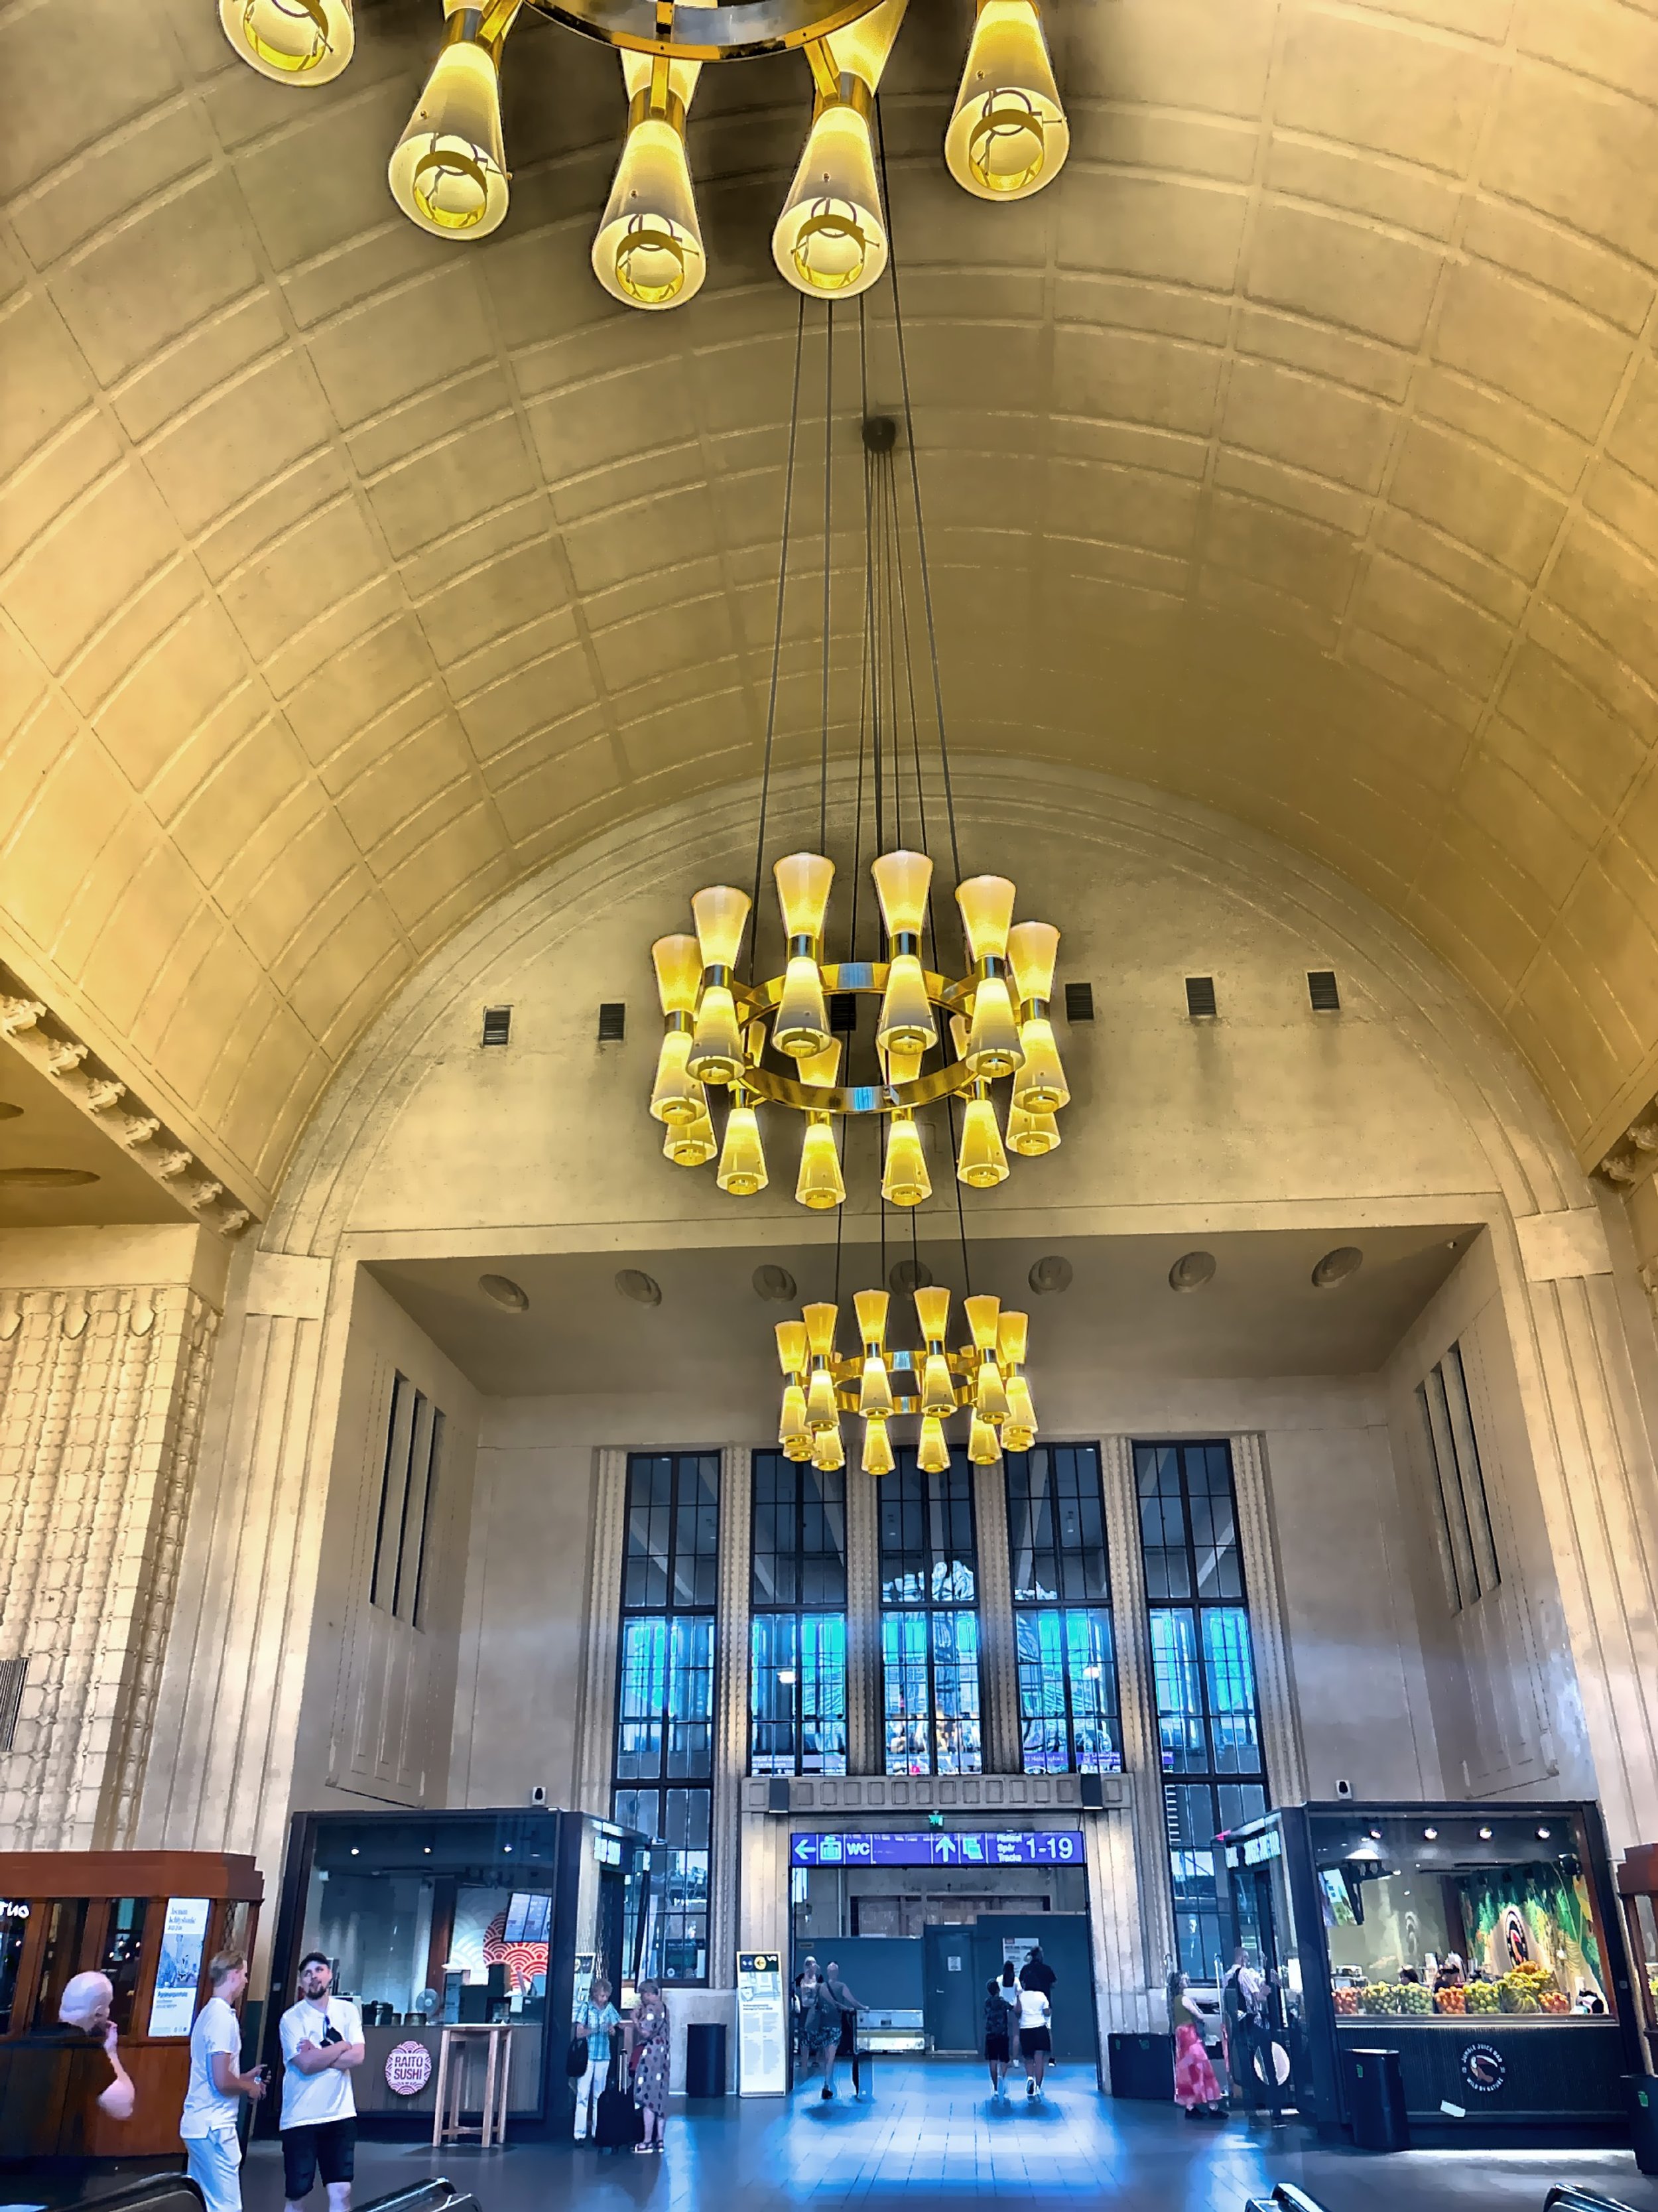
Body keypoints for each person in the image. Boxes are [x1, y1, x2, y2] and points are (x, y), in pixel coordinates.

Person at [181, 1950, 267, 2212]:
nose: (246, 1981)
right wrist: (249, 2087)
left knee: (203, 2203)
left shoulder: (208, 2014)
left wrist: (241, 2078)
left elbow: (214, 2076)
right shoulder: (221, 2019)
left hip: (199, 2124)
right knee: (227, 2207)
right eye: (244, 1974)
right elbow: (220, 2081)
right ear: (233, 1975)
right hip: (214, 2127)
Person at [279, 1952, 364, 2212]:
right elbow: (305, 2065)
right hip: (301, 2118)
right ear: (301, 1983)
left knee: (342, 2190)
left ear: (329, 1975)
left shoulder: (347, 2011)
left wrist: (318, 2052)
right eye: (307, 1974)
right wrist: (340, 2046)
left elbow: (358, 2056)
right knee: (297, 2193)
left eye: (319, 1970)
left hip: (340, 2115)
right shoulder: (291, 2019)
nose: (313, 1977)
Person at [1222, 1948, 1279, 2124]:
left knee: (1246, 2067)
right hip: (1254, 2022)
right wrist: (1268, 1991)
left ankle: (1251, 2109)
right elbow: (1259, 1998)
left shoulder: (1227, 1976)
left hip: (1239, 2025)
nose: (1247, 1961)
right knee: (1267, 2062)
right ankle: (1275, 2109)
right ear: (1241, 1958)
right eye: (1246, 1958)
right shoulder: (1244, 1974)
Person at [1167, 1970, 1224, 2120]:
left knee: (1187, 2071)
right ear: (1180, 1983)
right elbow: (1199, 2016)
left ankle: (1190, 2106)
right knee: (1203, 2066)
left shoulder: (1173, 2001)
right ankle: (1212, 2106)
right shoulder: (1184, 1999)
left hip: (1182, 2038)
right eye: (1185, 1979)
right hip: (1190, 2036)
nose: (1187, 1980)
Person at [571, 1975, 621, 2144]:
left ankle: (597, 2132)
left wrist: (611, 2031)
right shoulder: (586, 2008)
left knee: (599, 2095)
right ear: (595, 1994)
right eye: (602, 1996)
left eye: (606, 1996)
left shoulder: (610, 2009)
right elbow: (579, 2033)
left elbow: (616, 2030)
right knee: (583, 2094)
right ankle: (579, 2133)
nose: (604, 1999)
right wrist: (593, 2030)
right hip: (587, 2056)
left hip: (603, 2056)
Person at [629, 1979, 670, 2154]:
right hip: (664, 2056)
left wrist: (635, 2020)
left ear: (647, 1994)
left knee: (648, 2098)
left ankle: (646, 2141)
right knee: (660, 2099)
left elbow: (646, 2032)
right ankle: (660, 2140)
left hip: (651, 2057)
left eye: (642, 1995)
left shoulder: (652, 2009)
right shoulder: (665, 2008)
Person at [821, 1963, 863, 2101]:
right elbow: (853, 2002)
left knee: (827, 2057)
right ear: (837, 1973)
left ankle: (827, 2084)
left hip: (823, 2025)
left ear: (828, 1973)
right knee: (831, 2058)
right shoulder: (841, 1986)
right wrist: (863, 2008)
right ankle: (827, 2086)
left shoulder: (822, 1987)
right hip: (835, 2025)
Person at [1015, 1976, 1051, 2099]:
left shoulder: (1021, 1996)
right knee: (1039, 2059)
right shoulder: (1041, 1995)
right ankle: (1038, 2087)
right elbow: (1047, 2012)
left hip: (1025, 2029)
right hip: (1040, 2028)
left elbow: (1018, 2012)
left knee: (1028, 2058)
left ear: (1024, 1984)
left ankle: (1030, 2078)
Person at [983, 1975, 1016, 2098]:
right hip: (1002, 2034)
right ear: (998, 1989)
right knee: (1004, 2060)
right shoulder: (1003, 2002)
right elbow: (1013, 2008)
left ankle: (995, 2088)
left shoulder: (987, 2003)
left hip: (991, 2034)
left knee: (993, 2061)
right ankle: (1003, 2076)